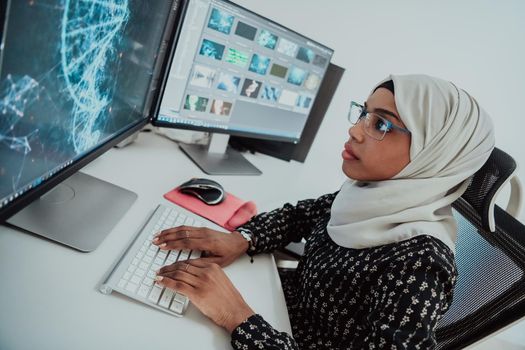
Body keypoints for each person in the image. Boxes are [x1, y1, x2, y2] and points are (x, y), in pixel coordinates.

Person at [153, 74, 495, 349]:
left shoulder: (421, 266)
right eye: (364, 114)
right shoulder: (369, 194)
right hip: (277, 306)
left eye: (381, 125)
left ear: (431, 153)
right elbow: (301, 216)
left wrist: (238, 318)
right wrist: (243, 239)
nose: (354, 130)